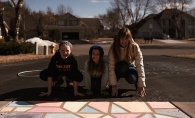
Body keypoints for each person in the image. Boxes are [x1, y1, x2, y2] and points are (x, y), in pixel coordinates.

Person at [108, 28, 146, 97]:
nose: (124, 41)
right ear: (118, 38)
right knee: (123, 66)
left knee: (132, 78)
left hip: (130, 67)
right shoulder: (113, 47)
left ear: (129, 39)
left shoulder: (135, 47)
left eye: (126, 39)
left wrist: (141, 85)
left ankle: (136, 83)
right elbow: (111, 66)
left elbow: (140, 65)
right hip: (119, 68)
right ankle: (114, 82)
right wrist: (113, 86)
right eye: (122, 38)